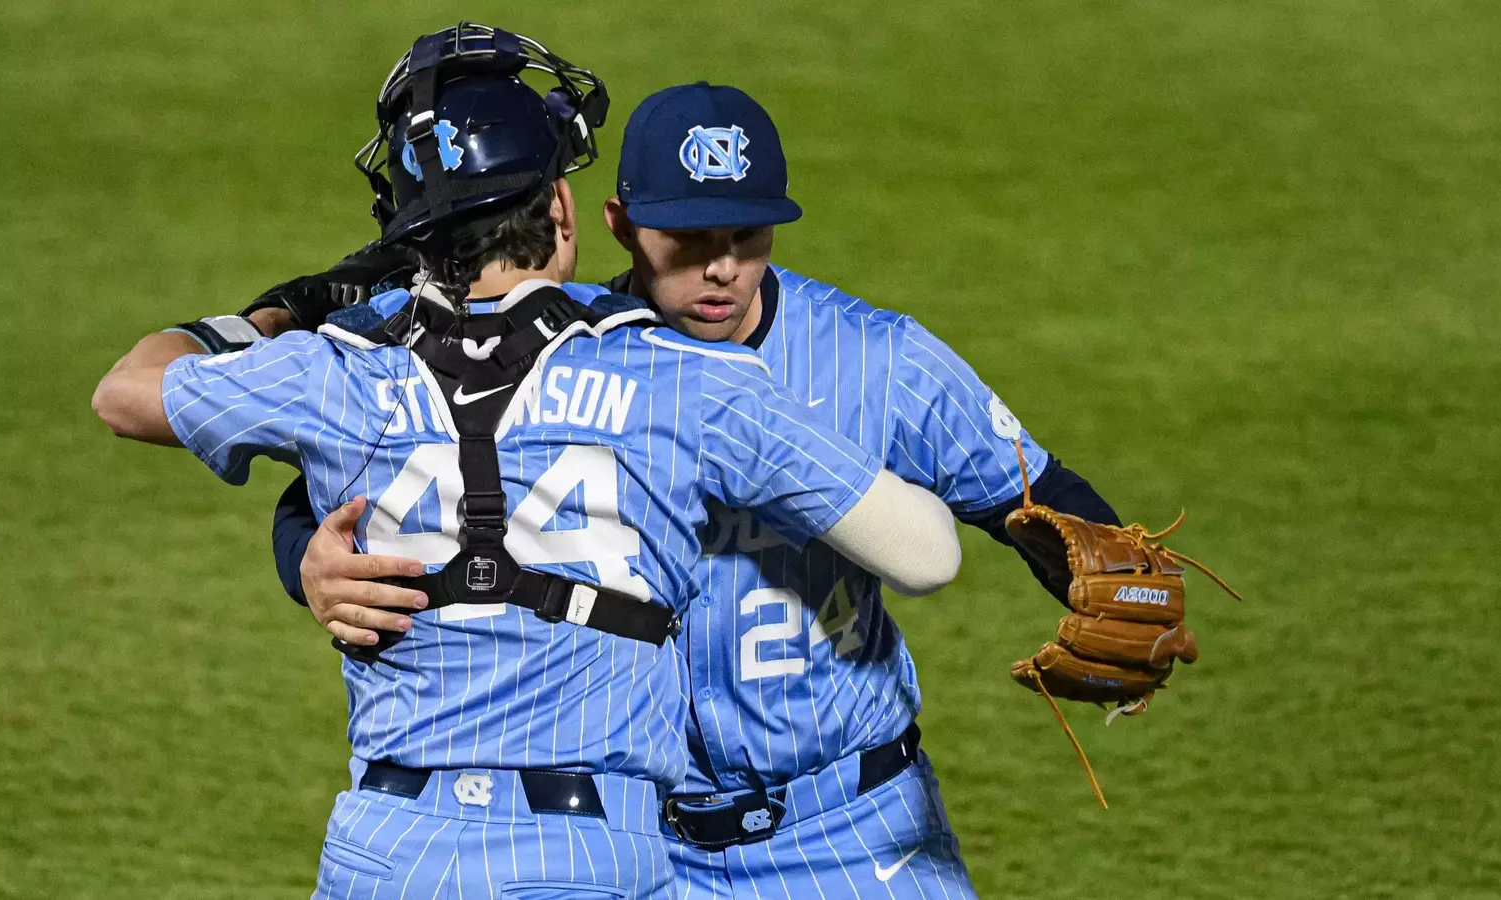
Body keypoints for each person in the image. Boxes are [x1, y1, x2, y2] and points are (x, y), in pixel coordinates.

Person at [90, 28, 961, 900]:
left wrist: (294, 307)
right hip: (583, 861)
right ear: (564, 212)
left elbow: (125, 391)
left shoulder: (335, 372)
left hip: (382, 855)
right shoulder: (680, 381)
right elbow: (929, 555)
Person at [269, 82, 1121, 898]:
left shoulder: (876, 358)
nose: (722, 269)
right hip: (636, 852)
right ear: (622, 226)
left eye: (748, 237)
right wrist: (306, 563)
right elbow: (344, 487)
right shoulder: (543, 355)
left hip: (852, 830)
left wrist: (1110, 581)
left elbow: (1030, 490)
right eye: (689, 239)